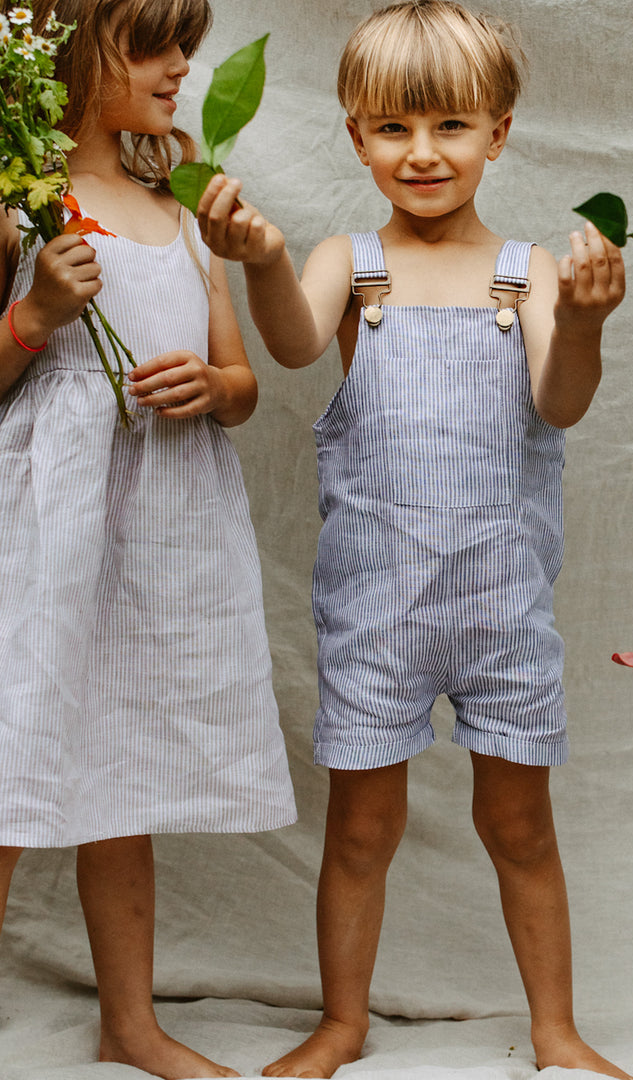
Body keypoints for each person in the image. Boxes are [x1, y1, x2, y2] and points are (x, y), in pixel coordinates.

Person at [197, 1, 631, 1076]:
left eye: (450, 127)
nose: (422, 153)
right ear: (354, 135)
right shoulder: (352, 262)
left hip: (502, 610)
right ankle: (343, 1024)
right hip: (376, 609)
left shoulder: (528, 274)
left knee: (520, 829)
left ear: (500, 131)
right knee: (358, 833)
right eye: (393, 128)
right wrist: (259, 262)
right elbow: (296, 347)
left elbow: (560, 403)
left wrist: (580, 322)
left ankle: (557, 1031)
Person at [0, 2, 296, 1078]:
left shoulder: (178, 212)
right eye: (152, 45)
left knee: (119, 773)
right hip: (48, 531)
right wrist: (32, 315)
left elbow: (246, 385)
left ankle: (129, 1024)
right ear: (71, 52)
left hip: (160, 534)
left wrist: (214, 385)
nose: (183, 67)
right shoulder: (26, 209)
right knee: (12, 762)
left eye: (189, 43)